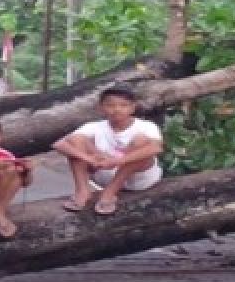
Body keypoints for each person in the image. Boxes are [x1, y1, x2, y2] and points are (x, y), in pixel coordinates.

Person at [51, 85, 164, 216]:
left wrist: (117, 161)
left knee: (142, 143)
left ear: (132, 108)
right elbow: (59, 144)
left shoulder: (146, 126)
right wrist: (89, 158)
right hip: (104, 173)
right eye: (111, 105)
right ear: (101, 108)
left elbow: (156, 147)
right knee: (76, 140)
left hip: (138, 179)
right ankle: (82, 191)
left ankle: (109, 193)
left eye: (123, 105)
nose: (117, 109)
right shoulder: (94, 126)